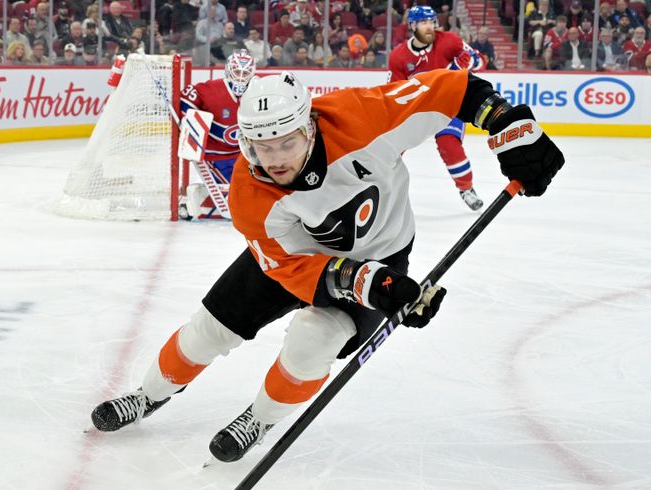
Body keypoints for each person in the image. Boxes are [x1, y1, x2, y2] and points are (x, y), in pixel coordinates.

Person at [90, 67, 564, 463]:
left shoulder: (362, 117)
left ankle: (261, 417)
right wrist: (369, 286)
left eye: (286, 143)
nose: (273, 160)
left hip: (383, 249)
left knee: (312, 341)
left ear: (310, 125)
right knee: (208, 330)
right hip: (293, 257)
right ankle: (149, 394)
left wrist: (506, 122)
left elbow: (455, 89)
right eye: (259, 146)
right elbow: (290, 268)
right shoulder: (249, 196)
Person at [389, 6, 486, 211]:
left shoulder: (449, 41)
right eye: (424, 23)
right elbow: (394, 91)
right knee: (392, 146)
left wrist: (468, 64)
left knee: (448, 143)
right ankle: (381, 185)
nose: (429, 27)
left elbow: (480, 61)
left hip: (449, 105)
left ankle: (466, 189)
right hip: (418, 108)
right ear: (412, 26)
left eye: (432, 22)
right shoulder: (399, 56)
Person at [178, 49, 256, 219]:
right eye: (237, 72)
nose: (241, 77)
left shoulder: (257, 90)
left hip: (243, 154)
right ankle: (191, 199)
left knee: (253, 187)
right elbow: (185, 99)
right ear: (228, 70)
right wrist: (189, 121)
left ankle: (196, 198)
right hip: (215, 156)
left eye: (246, 72)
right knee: (239, 193)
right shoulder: (212, 89)